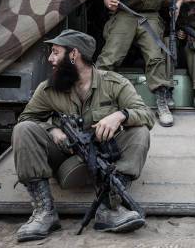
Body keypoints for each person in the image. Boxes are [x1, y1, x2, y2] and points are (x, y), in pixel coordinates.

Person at [12, 29, 154, 242]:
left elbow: (147, 115)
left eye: (56, 52)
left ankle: (109, 208)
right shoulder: (49, 88)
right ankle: (44, 212)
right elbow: (26, 119)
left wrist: (120, 115)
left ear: (73, 55)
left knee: (140, 132)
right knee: (23, 130)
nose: (50, 58)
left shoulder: (114, 83)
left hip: (103, 154)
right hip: (65, 155)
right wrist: (52, 129)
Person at [97, 0, 185, 127]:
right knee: (111, 55)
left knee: (155, 55)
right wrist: (109, 1)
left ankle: (162, 104)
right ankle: (97, 101)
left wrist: (177, 5)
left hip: (151, 15)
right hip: (126, 13)